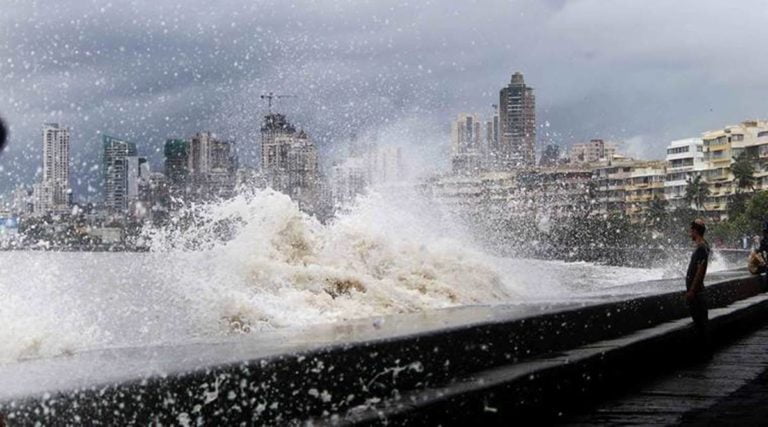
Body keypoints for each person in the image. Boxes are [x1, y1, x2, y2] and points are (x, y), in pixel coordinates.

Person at [685, 219, 710, 352]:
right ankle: (704, 352)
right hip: (698, 292)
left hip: (697, 293)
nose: (690, 233)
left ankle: (704, 354)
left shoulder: (701, 247)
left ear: (695, 231)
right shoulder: (703, 246)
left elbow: (700, 271)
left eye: (691, 230)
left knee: (700, 324)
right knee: (701, 324)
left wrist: (692, 291)